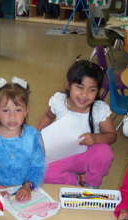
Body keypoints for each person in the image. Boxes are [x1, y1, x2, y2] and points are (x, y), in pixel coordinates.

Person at [36, 58, 117, 189]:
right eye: (80, 87)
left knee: (104, 152)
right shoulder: (60, 102)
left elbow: (112, 135)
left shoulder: (98, 109)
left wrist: (95, 138)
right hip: (59, 154)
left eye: (92, 90)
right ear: (68, 85)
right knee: (41, 173)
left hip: (83, 155)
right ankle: (74, 181)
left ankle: (91, 184)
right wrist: (35, 135)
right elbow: (47, 115)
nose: (84, 95)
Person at [0, 76, 46, 202]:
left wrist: (28, 186)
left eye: (18, 110)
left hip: (25, 192)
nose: (12, 117)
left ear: (26, 110)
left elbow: (38, 167)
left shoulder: (32, 136)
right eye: (5, 110)